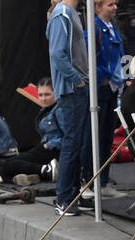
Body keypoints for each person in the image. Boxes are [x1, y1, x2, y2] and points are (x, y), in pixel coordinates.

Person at [49, 0, 95, 217]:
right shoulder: (62, 14)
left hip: (76, 87)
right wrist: (77, 80)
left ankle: (72, 196)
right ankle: (64, 199)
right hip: (71, 89)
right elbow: (57, 53)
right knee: (72, 141)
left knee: (77, 142)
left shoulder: (71, 13)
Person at [0, 79, 62, 186]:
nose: (43, 98)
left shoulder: (59, 110)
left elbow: (70, 136)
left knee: (8, 166)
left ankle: (46, 170)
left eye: (47, 95)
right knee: (2, 164)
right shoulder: (45, 110)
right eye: (40, 95)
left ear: (56, 93)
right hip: (42, 148)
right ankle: (40, 174)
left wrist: (50, 145)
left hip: (52, 151)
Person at [90, 0, 124, 199]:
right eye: (110, 4)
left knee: (107, 137)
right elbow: (90, 58)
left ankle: (102, 180)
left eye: (115, 4)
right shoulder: (95, 29)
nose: (115, 8)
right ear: (98, 7)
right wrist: (103, 79)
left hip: (112, 87)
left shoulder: (111, 28)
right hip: (103, 89)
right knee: (99, 136)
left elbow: (118, 56)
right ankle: (95, 181)